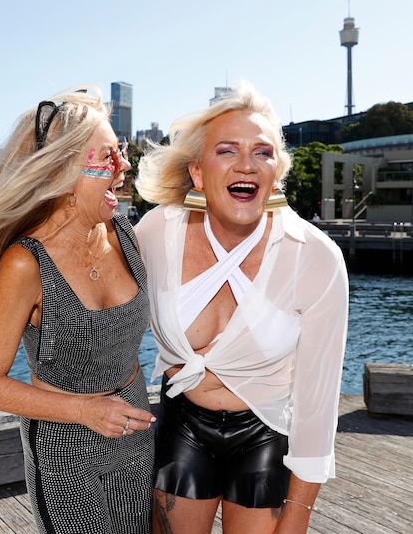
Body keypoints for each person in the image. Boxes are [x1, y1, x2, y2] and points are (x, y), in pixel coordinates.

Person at [0, 86, 155, 534]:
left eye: (121, 151)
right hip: (65, 452)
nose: (124, 166)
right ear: (64, 169)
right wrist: (88, 411)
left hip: (135, 437)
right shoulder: (25, 263)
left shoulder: (125, 233)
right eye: (108, 156)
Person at [135, 81, 348, 534]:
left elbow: (318, 403)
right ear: (197, 172)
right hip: (183, 424)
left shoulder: (314, 256)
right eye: (227, 150)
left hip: (266, 433)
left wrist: (297, 517)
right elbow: (104, 310)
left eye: (263, 153)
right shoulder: (156, 233)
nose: (246, 164)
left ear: (276, 172)